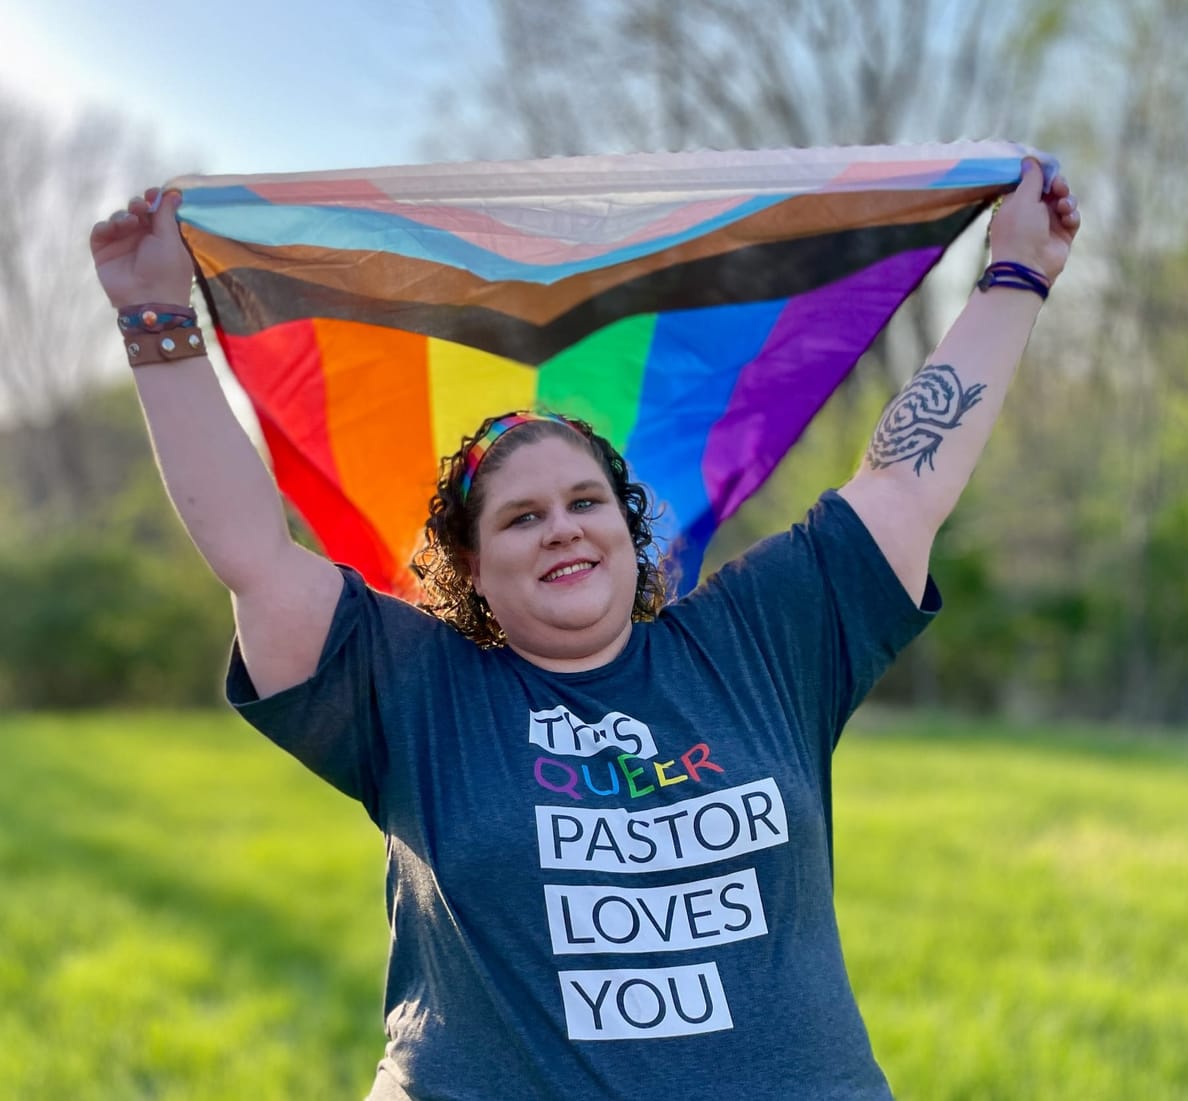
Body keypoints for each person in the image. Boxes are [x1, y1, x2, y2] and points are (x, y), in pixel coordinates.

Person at [90, 159, 1079, 1100]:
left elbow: (907, 481)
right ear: (472, 566)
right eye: (522, 517)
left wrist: (1016, 275)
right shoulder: (417, 688)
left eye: (586, 501)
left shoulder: (756, 640)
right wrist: (153, 320)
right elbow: (254, 557)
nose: (562, 525)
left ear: (627, 525)